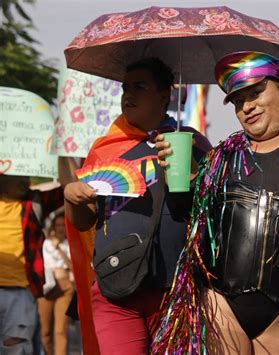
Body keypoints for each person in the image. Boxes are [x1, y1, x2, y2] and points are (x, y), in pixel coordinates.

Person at [152, 52, 279, 354]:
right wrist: (179, 178)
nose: (247, 107)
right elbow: (184, 212)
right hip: (222, 304)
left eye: (256, 93)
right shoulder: (222, 159)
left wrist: (276, 66)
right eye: (238, 101)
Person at [64, 57, 211, 354]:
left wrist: (195, 174)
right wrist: (71, 196)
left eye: (140, 87)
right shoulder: (104, 149)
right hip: (116, 290)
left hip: (176, 291)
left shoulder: (194, 144)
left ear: (165, 94)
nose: (128, 95)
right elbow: (84, 222)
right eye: (125, 87)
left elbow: (210, 213)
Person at [0, 175, 64, 354]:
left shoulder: (34, 202)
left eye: (26, 175)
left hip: (20, 294)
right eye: (18, 175)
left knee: (15, 349)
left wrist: (65, 152)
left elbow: (68, 188)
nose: (25, 181)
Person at [37, 213, 74, 355]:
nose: (60, 228)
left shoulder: (69, 244)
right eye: (58, 225)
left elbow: (73, 268)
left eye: (63, 225)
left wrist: (59, 249)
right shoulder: (46, 243)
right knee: (45, 331)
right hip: (47, 287)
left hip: (65, 286)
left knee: (60, 330)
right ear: (53, 227)